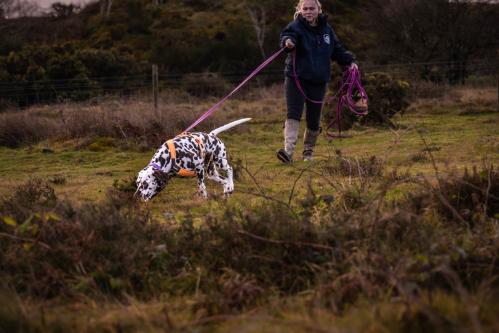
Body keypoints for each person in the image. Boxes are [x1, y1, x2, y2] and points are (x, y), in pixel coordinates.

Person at [277, 0, 358, 163]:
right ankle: (288, 152)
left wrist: (350, 62)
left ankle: (308, 151)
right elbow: (287, 36)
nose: (308, 11)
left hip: (319, 80)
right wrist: (288, 43)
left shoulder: (327, 29)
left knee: (314, 118)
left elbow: (337, 50)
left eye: (311, 8)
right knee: (294, 113)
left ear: (318, 9)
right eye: (305, 9)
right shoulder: (295, 26)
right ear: (299, 10)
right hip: (296, 78)